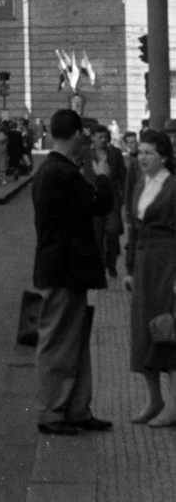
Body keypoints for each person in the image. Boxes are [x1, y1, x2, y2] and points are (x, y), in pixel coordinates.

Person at [31, 107, 114, 436]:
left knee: (73, 341)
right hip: (64, 271)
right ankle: (52, 411)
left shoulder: (52, 170)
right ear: (77, 135)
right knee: (58, 342)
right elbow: (100, 204)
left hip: (64, 269)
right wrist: (104, 174)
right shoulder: (62, 173)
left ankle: (76, 408)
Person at [123, 128, 176, 425]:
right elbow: (134, 229)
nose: (141, 158)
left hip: (168, 263)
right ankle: (154, 400)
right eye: (140, 152)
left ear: (163, 156)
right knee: (144, 331)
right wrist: (130, 270)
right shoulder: (141, 183)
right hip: (144, 265)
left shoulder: (173, 186)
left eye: (148, 153)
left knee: (168, 330)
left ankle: (174, 405)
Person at [92, 128, 127, 279]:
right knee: (97, 234)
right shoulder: (86, 153)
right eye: (100, 137)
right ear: (93, 137)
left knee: (113, 230)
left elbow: (122, 176)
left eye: (105, 137)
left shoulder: (116, 153)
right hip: (93, 201)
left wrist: (123, 197)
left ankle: (111, 262)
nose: (103, 140)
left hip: (112, 199)